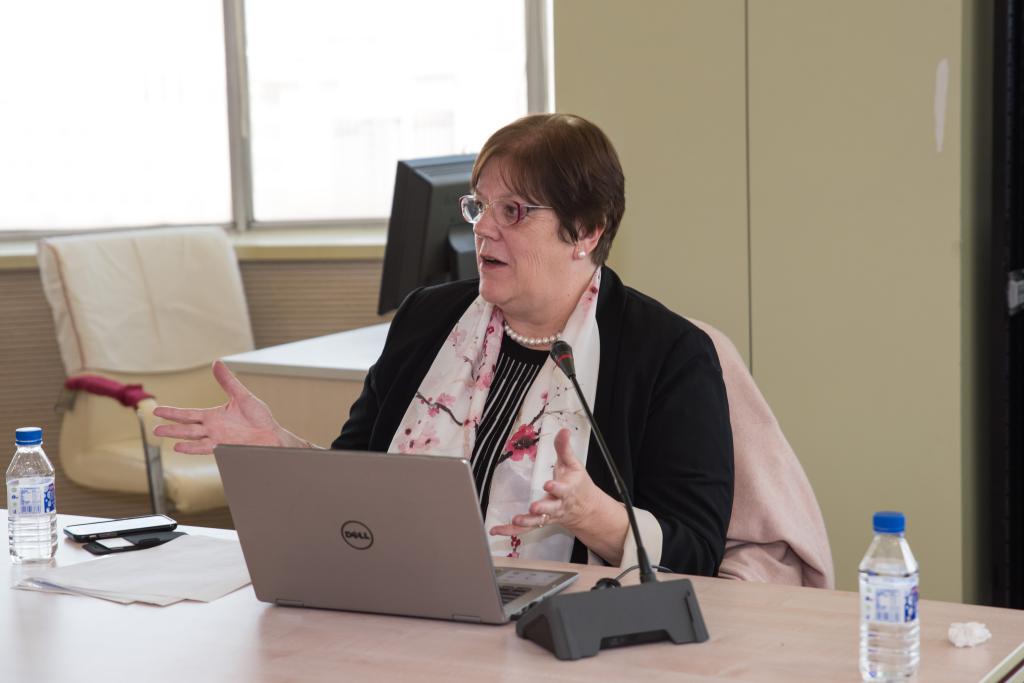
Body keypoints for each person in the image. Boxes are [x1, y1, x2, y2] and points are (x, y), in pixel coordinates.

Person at [154, 113, 734, 575]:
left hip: (567, 640)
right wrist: (279, 447)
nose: (482, 227)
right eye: (479, 205)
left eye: (513, 211)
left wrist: (592, 515)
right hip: (407, 604)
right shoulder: (428, 320)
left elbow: (697, 552)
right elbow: (359, 482)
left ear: (586, 230)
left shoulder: (667, 355)